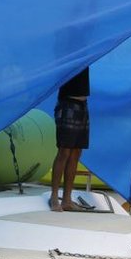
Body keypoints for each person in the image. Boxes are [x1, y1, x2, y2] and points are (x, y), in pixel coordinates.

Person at [49, 67, 90, 212]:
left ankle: (67, 199)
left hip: (82, 105)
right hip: (67, 103)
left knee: (76, 152)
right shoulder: (70, 52)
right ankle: (54, 197)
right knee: (64, 151)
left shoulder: (87, 52)